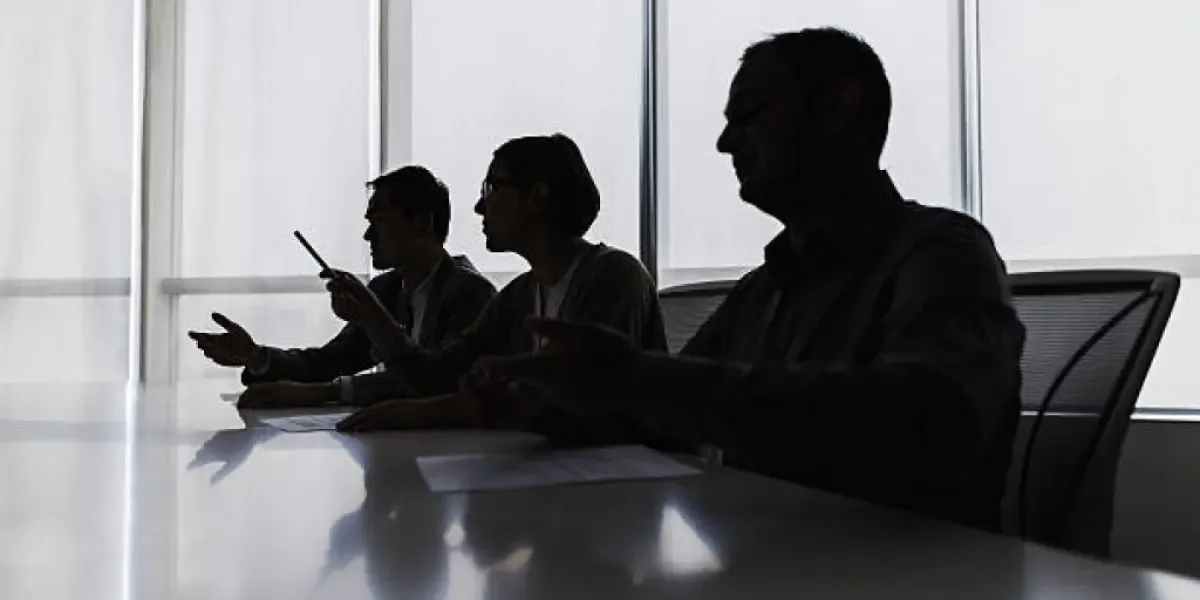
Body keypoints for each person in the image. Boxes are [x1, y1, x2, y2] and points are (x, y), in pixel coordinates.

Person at [473, 29, 1025, 532]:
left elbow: (930, 422)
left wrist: (635, 379)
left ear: (837, 108)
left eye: (750, 114)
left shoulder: (943, 252)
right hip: (778, 566)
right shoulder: (763, 289)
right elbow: (660, 413)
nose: (724, 142)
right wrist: (547, 411)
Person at [332, 134, 668, 446]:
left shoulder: (616, 276)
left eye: (491, 187)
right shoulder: (518, 295)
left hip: (628, 480)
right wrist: (374, 319)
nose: (480, 206)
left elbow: (577, 404)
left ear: (537, 197)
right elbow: (438, 378)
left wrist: (421, 412)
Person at [188, 165, 496, 406]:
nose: (367, 235)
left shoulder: (471, 294)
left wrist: (328, 392)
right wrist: (255, 356)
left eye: (378, 220)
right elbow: (330, 361)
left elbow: (438, 380)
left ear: (421, 224)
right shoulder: (387, 289)